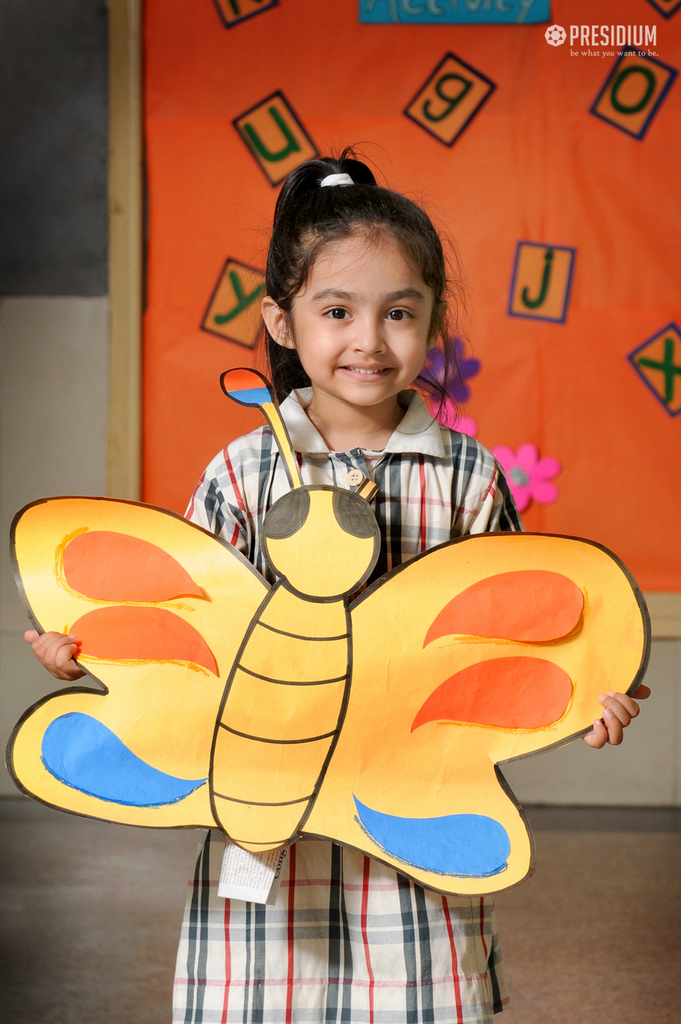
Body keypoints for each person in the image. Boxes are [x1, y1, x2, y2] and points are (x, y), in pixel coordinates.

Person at [26, 151, 650, 1024]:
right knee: (262, 1002)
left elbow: (516, 633)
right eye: (336, 311)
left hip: (410, 811)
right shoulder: (242, 472)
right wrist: (83, 654)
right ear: (282, 323)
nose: (368, 339)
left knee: (416, 1000)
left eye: (399, 312)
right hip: (263, 818)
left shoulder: (467, 473)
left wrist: (588, 692)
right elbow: (178, 630)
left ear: (433, 323)